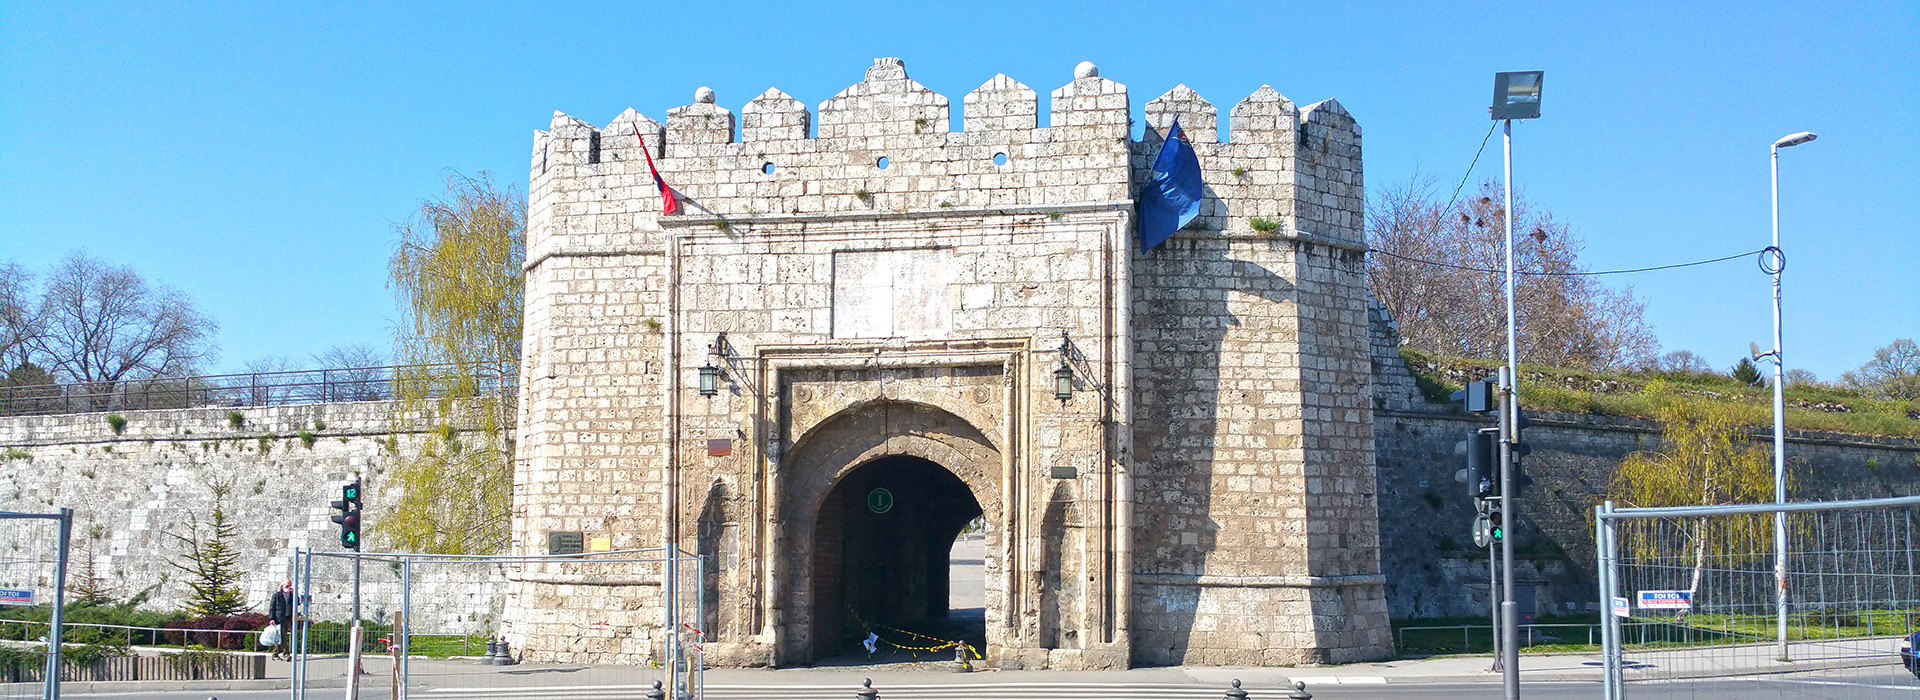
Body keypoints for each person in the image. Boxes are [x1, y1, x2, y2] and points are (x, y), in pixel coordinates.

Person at [268, 580, 294, 660]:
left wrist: (294, 594)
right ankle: (286, 654)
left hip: (287, 618)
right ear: (282, 586)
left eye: (290, 586)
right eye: (287, 586)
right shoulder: (277, 595)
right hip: (279, 619)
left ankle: (275, 654)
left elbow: (297, 603)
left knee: (281, 637)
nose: (288, 588)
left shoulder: (291, 596)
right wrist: (272, 618)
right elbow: (272, 607)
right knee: (282, 636)